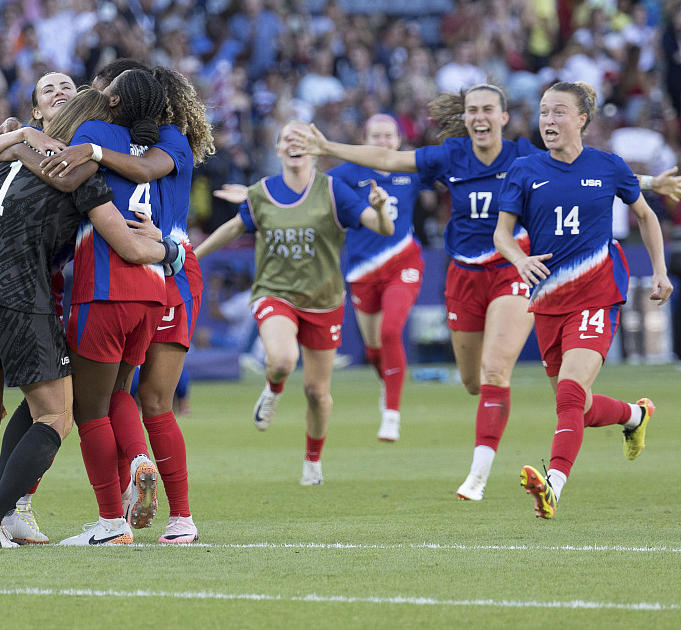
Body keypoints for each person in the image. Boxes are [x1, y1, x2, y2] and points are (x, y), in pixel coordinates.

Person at [288, 84, 681, 501]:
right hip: (467, 275)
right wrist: (327, 145)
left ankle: (485, 478)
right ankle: (634, 415)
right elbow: (387, 159)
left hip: (520, 273)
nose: (480, 117)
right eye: (473, 110)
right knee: (484, 383)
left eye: (488, 110)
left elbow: (591, 172)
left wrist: (652, 183)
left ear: (504, 117)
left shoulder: (523, 155)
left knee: (507, 375)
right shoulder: (455, 156)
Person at [0, 87, 184, 548]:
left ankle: (9, 512)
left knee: (23, 404)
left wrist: (20, 135)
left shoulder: (6, 150)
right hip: (22, 297)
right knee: (58, 416)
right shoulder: (79, 172)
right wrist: (171, 250)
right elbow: (126, 244)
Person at [40, 61, 215, 543]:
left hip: (152, 271)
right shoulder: (173, 140)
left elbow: (67, 154)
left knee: (137, 400)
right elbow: (144, 168)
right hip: (158, 273)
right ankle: (149, 510)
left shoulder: (114, 136)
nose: (93, 95)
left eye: (102, 89)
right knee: (132, 396)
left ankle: (129, 518)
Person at [495, 81, 671, 518]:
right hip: (548, 298)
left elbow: (645, 215)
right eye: (543, 112)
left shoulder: (608, 166)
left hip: (597, 293)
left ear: (582, 120)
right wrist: (517, 258)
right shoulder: (524, 170)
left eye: (558, 113)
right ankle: (634, 415)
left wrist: (661, 271)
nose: (548, 121)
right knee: (578, 405)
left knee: (571, 394)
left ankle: (552, 485)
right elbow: (501, 233)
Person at [194, 121, 394, 486]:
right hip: (275, 292)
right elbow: (234, 228)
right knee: (283, 359)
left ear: (315, 148)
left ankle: (313, 463)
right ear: (277, 149)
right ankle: (272, 389)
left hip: (323, 300)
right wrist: (192, 255)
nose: (295, 143)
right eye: (288, 138)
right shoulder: (262, 192)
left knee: (318, 393)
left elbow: (382, 228)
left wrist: (381, 209)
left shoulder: (335, 192)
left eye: (302, 138)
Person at [327, 114, 423, 442]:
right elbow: (308, 190)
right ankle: (387, 380)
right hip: (362, 269)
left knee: (392, 330)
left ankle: (392, 414)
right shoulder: (346, 173)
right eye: (376, 136)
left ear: (399, 140)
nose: (383, 142)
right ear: (364, 139)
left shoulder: (411, 170)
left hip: (404, 262)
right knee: (372, 350)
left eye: (388, 136)